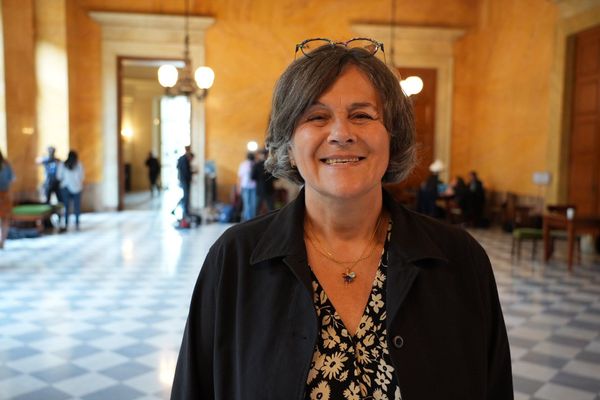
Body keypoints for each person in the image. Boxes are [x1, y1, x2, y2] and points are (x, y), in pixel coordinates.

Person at [171, 38, 512, 399]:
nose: (341, 134)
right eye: (316, 117)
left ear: (392, 137)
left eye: (362, 115)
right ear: (288, 142)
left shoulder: (460, 259)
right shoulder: (235, 259)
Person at [57, 150, 84, 231]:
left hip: (65, 187)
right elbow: (81, 177)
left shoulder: (63, 165)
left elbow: (59, 176)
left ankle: (66, 223)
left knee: (66, 206)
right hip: (77, 187)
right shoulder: (78, 164)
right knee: (77, 207)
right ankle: (76, 223)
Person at [251, 147, 276, 215]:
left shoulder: (256, 165)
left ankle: (255, 223)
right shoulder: (271, 165)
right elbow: (275, 178)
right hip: (269, 188)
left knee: (257, 208)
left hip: (260, 189)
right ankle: (274, 223)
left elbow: (252, 177)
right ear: (267, 155)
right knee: (271, 208)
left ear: (261, 155)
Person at [0, 150, 15, 249]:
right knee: (5, 219)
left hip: (4, 194)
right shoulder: (6, 164)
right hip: (5, 194)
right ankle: (2, 241)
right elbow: (12, 179)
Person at [237, 151, 257, 221]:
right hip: (247, 187)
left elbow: (240, 177)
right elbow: (240, 177)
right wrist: (239, 187)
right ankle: (249, 220)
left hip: (252, 187)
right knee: (248, 204)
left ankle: (251, 219)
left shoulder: (254, 164)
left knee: (252, 204)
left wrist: (239, 188)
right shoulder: (244, 164)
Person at [176, 146, 194, 220]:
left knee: (185, 196)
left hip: (183, 180)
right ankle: (185, 211)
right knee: (186, 196)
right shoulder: (184, 159)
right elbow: (185, 171)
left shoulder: (183, 158)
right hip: (184, 180)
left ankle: (183, 210)